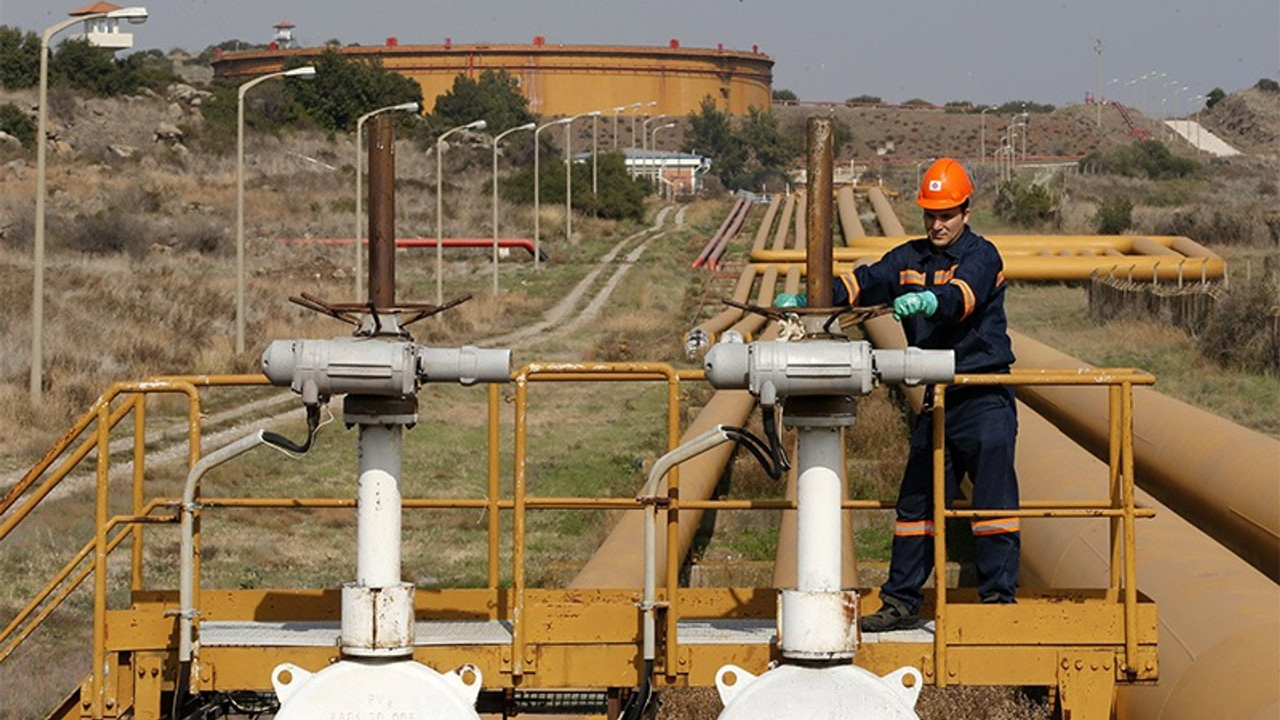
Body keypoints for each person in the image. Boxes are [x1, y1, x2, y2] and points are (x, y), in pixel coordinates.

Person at [780, 158, 1020, 631]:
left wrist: (934, 301)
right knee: (915, 506)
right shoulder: (908, 259)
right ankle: (901, 602)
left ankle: (997, 605)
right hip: (938, 400)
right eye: (930, 214)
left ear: (965, 212)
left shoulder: (982, 255)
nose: (937, 224)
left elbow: (963, 297)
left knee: (992, 506)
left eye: (946, 214)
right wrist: (812, 296)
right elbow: (862, 283)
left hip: (982, 393)